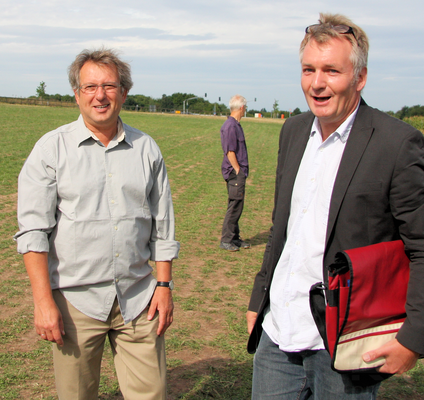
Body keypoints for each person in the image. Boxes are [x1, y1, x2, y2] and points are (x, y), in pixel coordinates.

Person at [246, 13, 424, 399]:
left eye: (331, 71)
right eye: (308, 69)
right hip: (279, 332)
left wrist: (413, 337)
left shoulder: (396, 143)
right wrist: (260, 299)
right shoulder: (293, 131)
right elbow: (283, 228)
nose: (317, 83)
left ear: (360, 78)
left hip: (346, 340)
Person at [14, 48, 180, 400]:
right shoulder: (50, 150)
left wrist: (163, 286)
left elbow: (163, 227)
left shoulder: (146, 149)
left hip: (138, 301)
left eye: (109, 86)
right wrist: (44, 303)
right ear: (76, 93)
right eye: (90, 87)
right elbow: (33, 233)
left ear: (124, 92)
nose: (99, 96)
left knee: (152, 395)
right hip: (76, 303)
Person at [219, 95, 250, 251]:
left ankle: (235, 238)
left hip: (236, 172)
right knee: (235, 206)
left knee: (237, 204)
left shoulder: (234, 124)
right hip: (234, 172)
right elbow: (230, 151)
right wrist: (238, 170)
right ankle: (226, 240)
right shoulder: (231, 126)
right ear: (242, 108)